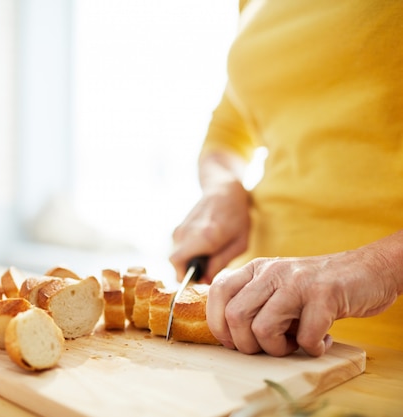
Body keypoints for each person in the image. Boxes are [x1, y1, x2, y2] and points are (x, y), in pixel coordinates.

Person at [170, 0, 403, 357]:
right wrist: (223, 188)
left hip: (386, 350)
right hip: (254, 334)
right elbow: (228, 131)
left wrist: (381, 267)